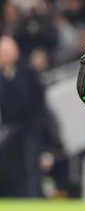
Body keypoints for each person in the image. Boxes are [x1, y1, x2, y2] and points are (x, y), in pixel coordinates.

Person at [0, 36, 49, 198]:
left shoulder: (28, 72)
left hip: (31, 126)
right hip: (11, 128)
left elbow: (35, 100)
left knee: (31, 166)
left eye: (6, 52)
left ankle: (34, 199)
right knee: (12, 165)